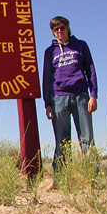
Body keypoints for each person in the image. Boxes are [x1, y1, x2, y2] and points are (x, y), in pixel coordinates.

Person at [42, 16, 98, 172]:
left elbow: (91, 70)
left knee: (86, 137)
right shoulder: (49, 52)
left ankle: (91, 173)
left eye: (62, 28)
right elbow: (46, 78)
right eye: (56, 29)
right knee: (62, 139)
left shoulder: (81, 46)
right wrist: (47, 104)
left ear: (67, 28)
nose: (59, 31)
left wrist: (93, 95)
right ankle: (61, 174)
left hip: (81, 95)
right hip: (59, 98)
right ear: (53, 33)